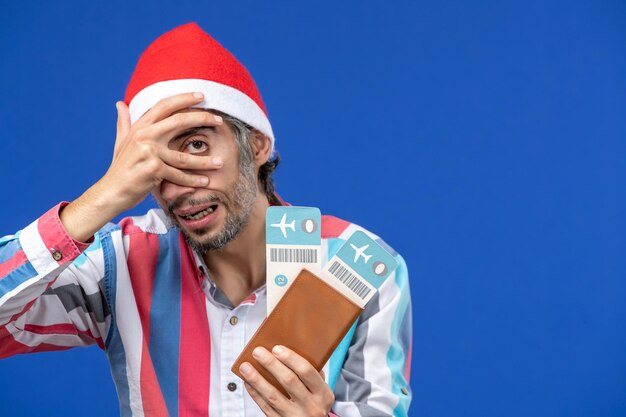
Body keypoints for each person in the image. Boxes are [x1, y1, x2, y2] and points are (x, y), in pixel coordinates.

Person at [0, 22, 412, 417]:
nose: (175, 187)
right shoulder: (117, 264)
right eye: (152, 163)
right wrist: (99, 200)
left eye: (196, 145)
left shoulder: (364, 267)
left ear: (257, 146)